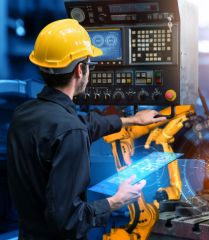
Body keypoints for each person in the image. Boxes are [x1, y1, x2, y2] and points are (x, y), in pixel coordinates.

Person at [6, 19, 166, 239]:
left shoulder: (25, 113)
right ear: (80, 69)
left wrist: (131, 120)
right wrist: (115, 201)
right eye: (89, 64)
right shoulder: (70, 130)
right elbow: (68, 221)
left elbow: (81, 125)